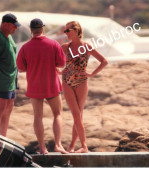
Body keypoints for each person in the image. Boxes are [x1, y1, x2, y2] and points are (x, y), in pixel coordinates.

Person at [17, 18, 68, 154]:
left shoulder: (25, 47)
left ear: (31, 30)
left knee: (37, 117)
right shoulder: (54, 44)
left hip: (34, 85)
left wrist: (32, 67)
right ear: (43, 28)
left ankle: (42, 148)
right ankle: (57, 144)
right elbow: (62, 63)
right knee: (57, 114)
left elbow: (20, 68)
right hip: (51, 84)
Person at [61, 21, 108, 153]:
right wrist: (58, 70)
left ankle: (76, 146)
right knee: (76, 114)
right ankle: (83, 146)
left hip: (82, 82)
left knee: (78, 115)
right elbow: (52, 61)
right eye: (65, 31)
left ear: (76, 30)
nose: (66, 33)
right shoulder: (64, 47)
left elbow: (104, 61)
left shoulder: (87, 47)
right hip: (67, 82)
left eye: (67, 31)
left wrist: (91, 74)